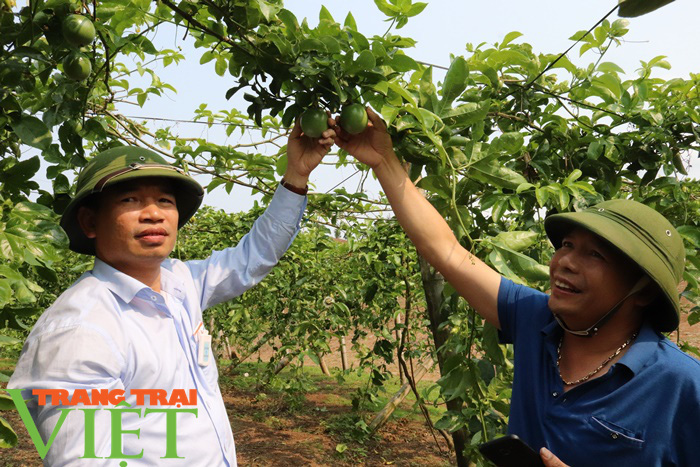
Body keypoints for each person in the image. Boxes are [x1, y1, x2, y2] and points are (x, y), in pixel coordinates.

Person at [333, 108, 700, 466]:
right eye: (568, 245)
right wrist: (384, 161)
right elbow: (446, 251)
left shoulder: (681, 385)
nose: (565, 262)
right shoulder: (535, 320)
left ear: (644, 291)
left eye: (595, 255)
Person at [8, 120, 335, 466]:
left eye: (164, 200)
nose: (153, 214)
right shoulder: (80, 329)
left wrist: (296, 177)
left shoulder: (179, 283)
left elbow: (253, 256)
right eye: (131, 199)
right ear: (90, 222)